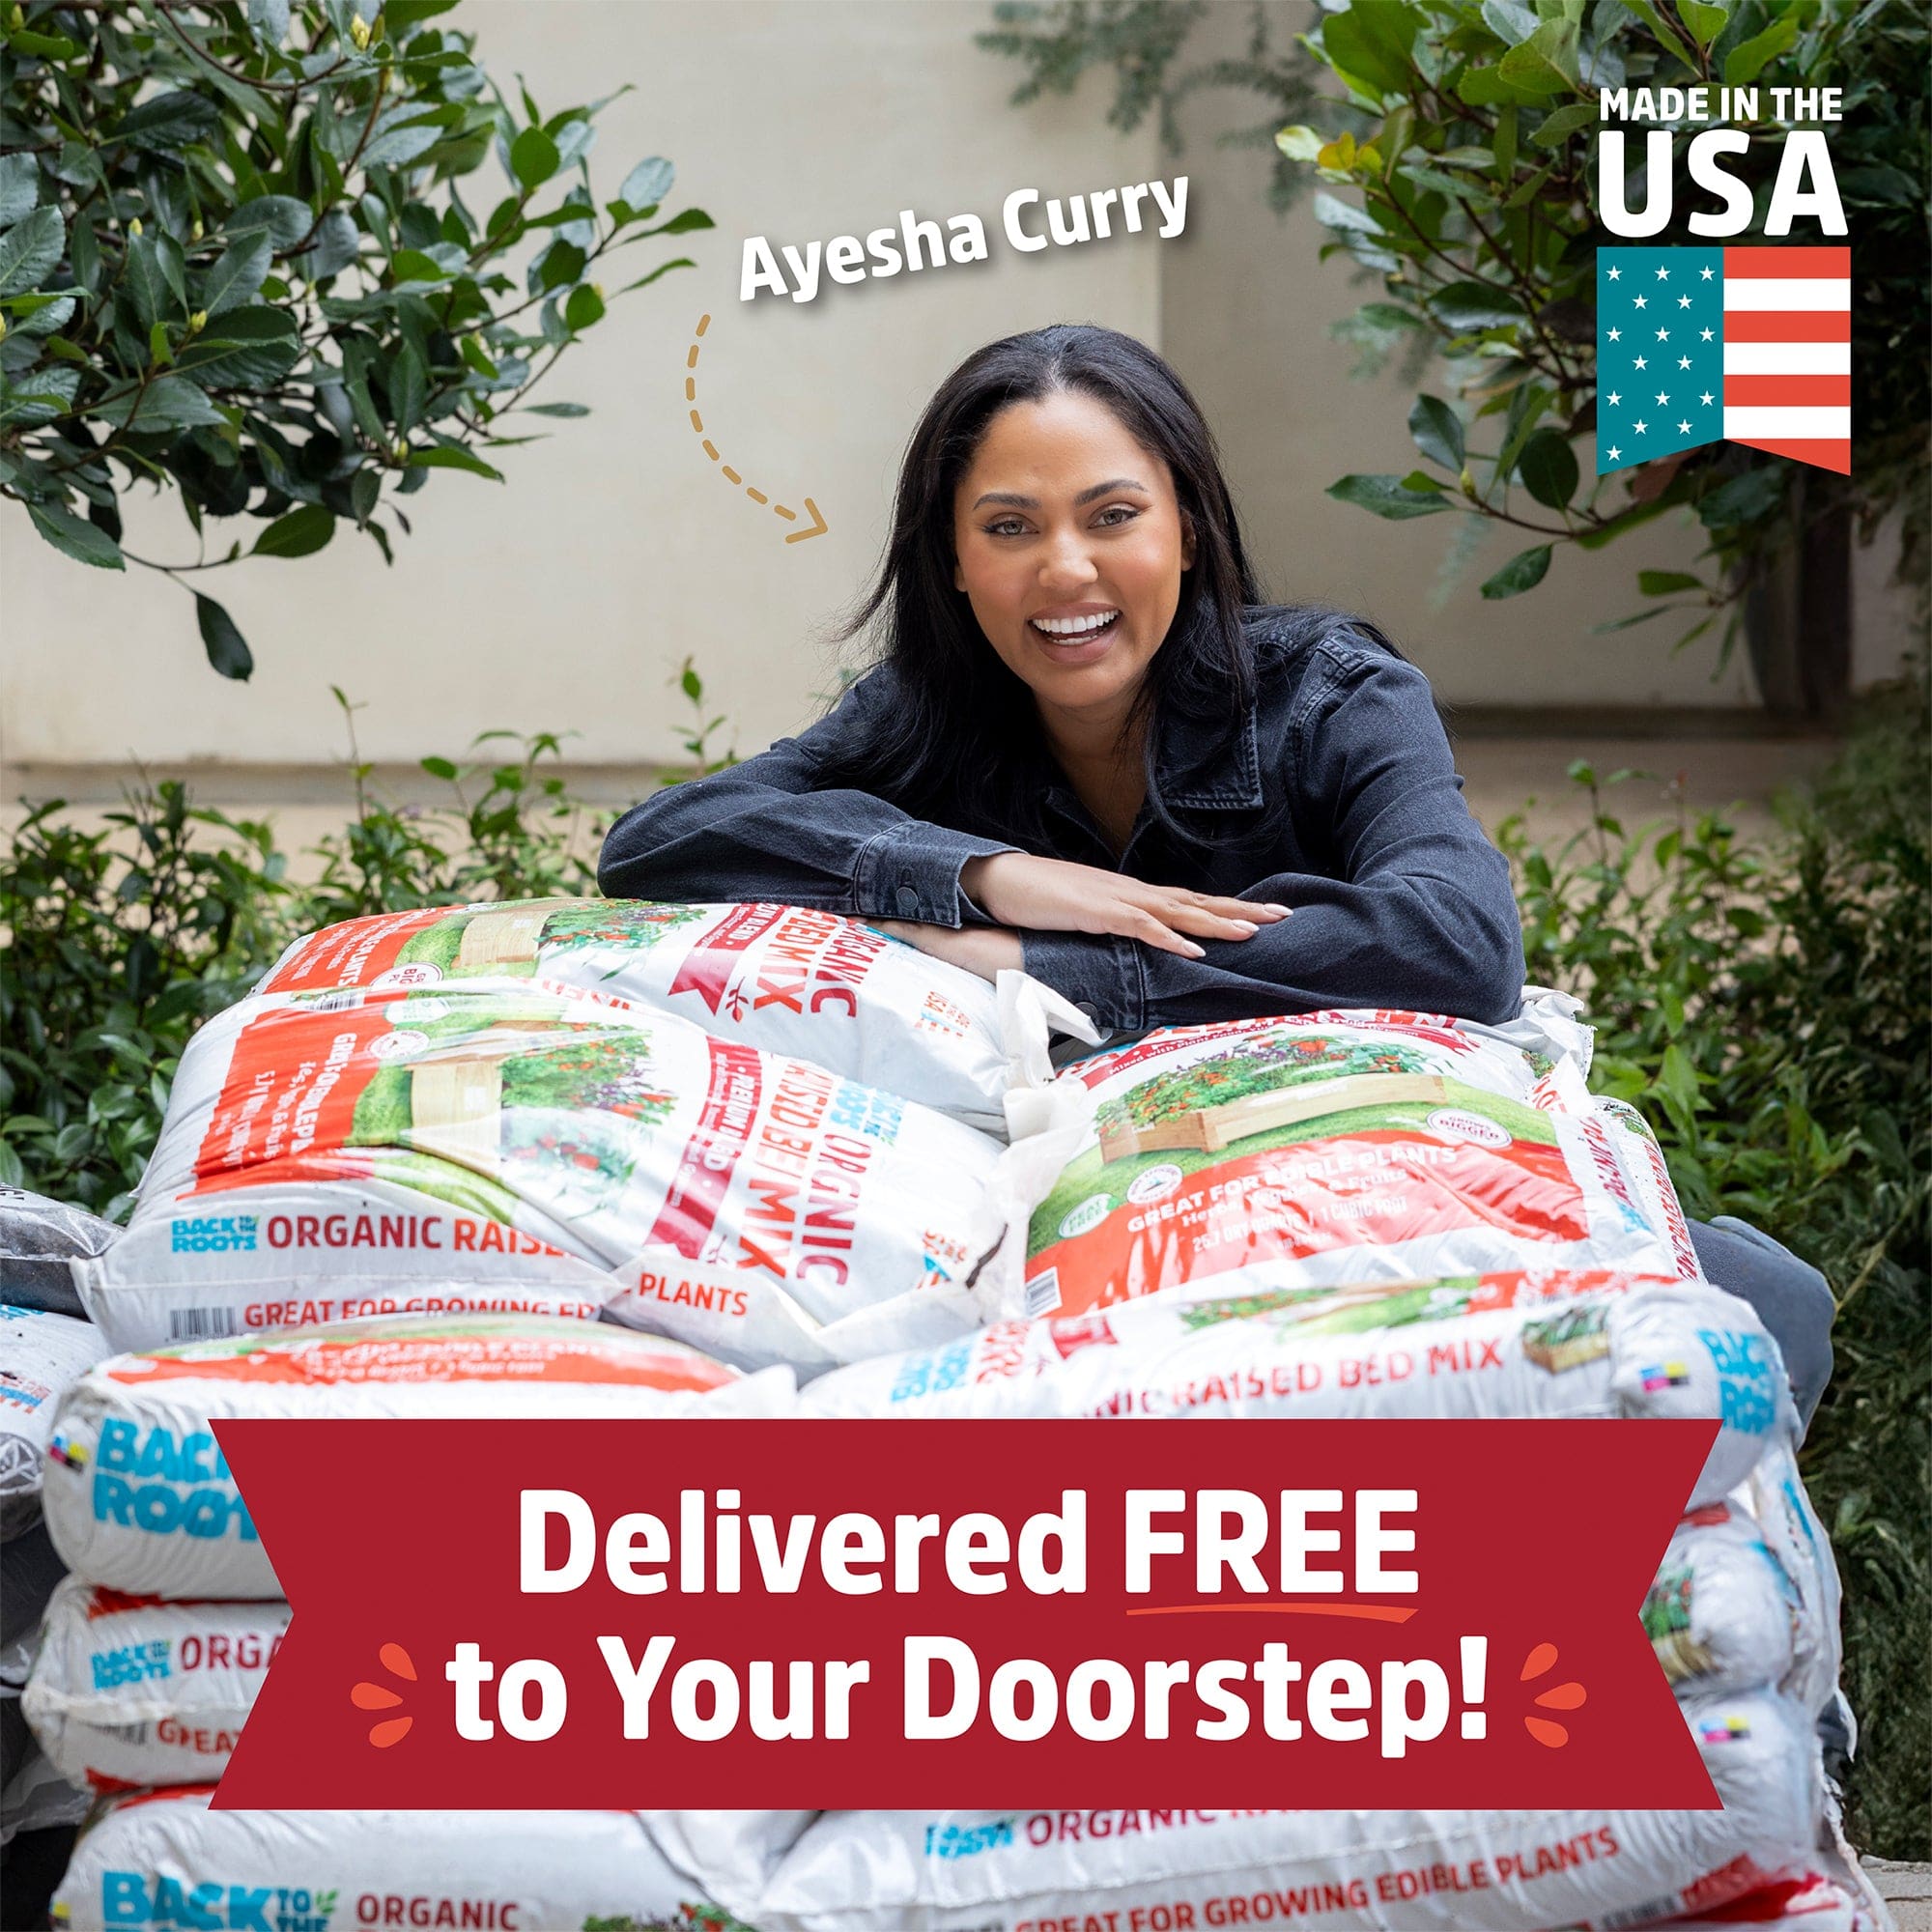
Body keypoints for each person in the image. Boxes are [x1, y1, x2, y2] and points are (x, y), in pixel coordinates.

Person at [599, 323, 1832, 1427]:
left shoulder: (1330, 695)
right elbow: (659, 843)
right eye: (1009, 526)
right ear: (954, 561)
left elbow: (1455, 939)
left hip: (1350, 1179)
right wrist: (993, 873)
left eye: (1111, 514)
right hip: (1058, 1208)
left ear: (1186, 525)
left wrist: (1053, 966)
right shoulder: (927, 715)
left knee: (1758, 1309)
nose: (1065, 569)